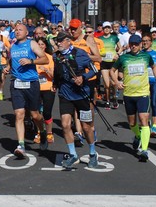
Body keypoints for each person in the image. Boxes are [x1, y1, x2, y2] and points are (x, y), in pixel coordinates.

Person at [52, 31, 99, 169]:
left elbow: (94, 69)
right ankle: (73, 155)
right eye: (57, 41)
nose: (58, 43)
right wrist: (55, 83)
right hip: (65, 94)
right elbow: (56, 71)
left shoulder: (81, 53)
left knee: (86, 127)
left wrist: (83, 78)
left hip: (81, 95)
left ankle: (92, 153)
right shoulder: (57, 56)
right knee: (65, 125)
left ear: (67, 41)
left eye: (60, 41)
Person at [110, 34, 156, 162]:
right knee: (132, 123)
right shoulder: (124, 58)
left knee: (144, 120)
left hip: (143, 93)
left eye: (136, 44)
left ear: (140, 45)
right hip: (128, 95)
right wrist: (117, 82)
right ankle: (138, 136)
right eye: (132, 44)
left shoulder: (146, 56)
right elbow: (112, 70)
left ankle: (144, 150)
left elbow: (154, 66)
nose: (133, 46)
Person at [5, 23, 49, 157]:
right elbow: (11, 61)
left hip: (31, 83)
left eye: (20, 30)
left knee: (35, 115)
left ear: (26, 33)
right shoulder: (12, 46)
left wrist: (31, 61)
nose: (17, 32)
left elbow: (45, 59)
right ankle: (21, 145)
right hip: (16, 83)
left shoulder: (32, 44)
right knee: (19, 114)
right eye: (16, 30)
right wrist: (7, 68)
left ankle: (42, 131)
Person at [141, 33, 156, 137]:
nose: (145, 42)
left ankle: (154, 126)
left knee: (154, 103)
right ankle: (145, 123)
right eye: (143, 41)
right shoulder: (139, 54)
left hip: (154, 81)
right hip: (142, 83)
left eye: (147, 41)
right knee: (144, 105)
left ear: (151, 42)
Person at [34, 38, 56, 144]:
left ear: (45, 46)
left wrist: (46, 70)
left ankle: (49, 133)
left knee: (47, 112)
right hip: (35, 88)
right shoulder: (32, 58)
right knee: (37, 113)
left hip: (48, 88)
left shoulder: (50, 58)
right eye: (38, 44)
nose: (40, 46)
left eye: (42, 44)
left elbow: (53, 75)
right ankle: (40, 132)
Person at [99, 21, 121, 109]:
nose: (107, 29)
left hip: (113, 63)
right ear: (103, 29)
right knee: (107, 84)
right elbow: (97, 49)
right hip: (104, 63)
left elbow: (121, 47)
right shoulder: (100, 39)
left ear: (110, 28)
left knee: (115, 83)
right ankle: (108, 101)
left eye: (108, 27)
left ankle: (114, 98)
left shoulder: (114, 37)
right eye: (105, 28)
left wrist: (118, 54)